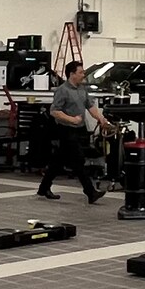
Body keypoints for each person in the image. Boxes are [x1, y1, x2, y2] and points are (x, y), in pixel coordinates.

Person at [36, 61, 117, 203]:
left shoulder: (82, 89)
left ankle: (43, 188)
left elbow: (90, 106)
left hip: (80, 130)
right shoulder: (62, 90)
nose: (83, 75)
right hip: (66, 130)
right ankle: (90, 192)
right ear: (72, 74)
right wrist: (72, 119)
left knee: (58, 161)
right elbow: (54, 111)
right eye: (81, 72)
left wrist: (101, 120)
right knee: (78, 160)